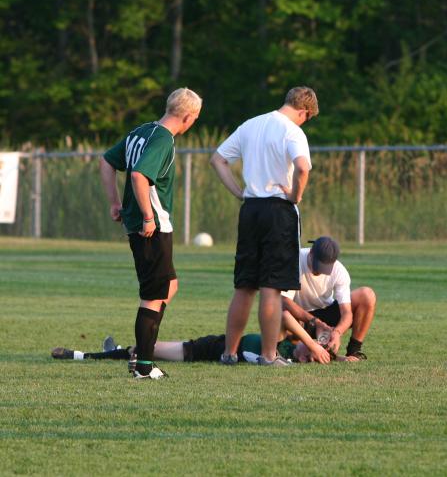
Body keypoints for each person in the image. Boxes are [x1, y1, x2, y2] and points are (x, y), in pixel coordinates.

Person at [210, 87, 318, 366]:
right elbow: (304, 167)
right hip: (278, 212)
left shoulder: (251, 125)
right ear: (304, 111)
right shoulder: (292, 131)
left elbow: (218, 159)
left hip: (251, 210)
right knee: (271, 287)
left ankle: (229, 352)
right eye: (307, 117)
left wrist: (238, 191)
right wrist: (295, 195)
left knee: (244, 285)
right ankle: (269, 356)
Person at [99, 88, 202, 379]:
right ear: (187, 117)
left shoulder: (141, 131)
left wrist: (115, 203)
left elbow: (106, 161)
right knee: (153, 295)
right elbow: (138, 175)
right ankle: (143, 365)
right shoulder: (163, 139)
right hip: (152, 226)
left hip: (143, 223)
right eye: (195, 118)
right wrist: (147, 216)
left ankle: (144, 350)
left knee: (168, 286)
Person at [50, 311, 350, 364]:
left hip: (212, 352)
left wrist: (341, 359)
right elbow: (283, 314)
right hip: (216, 344)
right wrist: (313, 340)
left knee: (146, 351)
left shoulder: (286, 361)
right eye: (311, 351)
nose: (307, 355)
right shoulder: (286, 341)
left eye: (310, 358)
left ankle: (88, 355)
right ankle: (96, 354)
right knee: (145, 349)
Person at [282, 236, 376, 360]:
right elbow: (284, 301)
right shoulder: (295, 261)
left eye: (324, 268)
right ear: (311, 253)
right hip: (299, 317)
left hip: (326, 312)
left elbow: (346, 313)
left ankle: (354, 351)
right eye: (317, 266)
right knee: (282, 313)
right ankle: (297, 347)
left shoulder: (339, 270)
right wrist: (315, 322)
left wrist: (337, 332)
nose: (319, 272)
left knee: (367, 295)